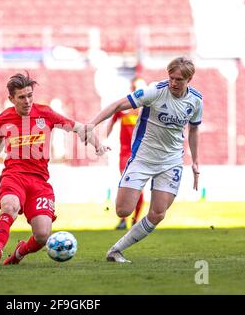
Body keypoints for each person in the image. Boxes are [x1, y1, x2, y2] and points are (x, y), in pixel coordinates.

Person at [0, 72, 109, 268]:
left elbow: (79, 128)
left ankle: (19, 253)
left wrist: (98, 146)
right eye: (22, 97)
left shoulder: (45, 113)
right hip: (14, 175)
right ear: (11, 99)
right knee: (10, 206)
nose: (27, 101)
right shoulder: (3, 118)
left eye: (30, 95)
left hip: (39, 181)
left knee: (43, 235)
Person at [85, 57, 202, 263]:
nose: (173, 83)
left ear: (189, 79)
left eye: (179, 80)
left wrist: (195, 161)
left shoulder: (195, 101)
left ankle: (116, 250)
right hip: (143, 158)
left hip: (171, 161)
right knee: (123, 210)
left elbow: (193, 129)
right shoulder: (154, 91)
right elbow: (117, 105)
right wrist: (91, 124)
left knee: (158, 213)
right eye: (171, 77)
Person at [106, 77, 146, 230]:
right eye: (137, 88)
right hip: (125, 154)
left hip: (142, 154)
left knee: (139, 188)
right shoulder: (124, 107)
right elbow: (111, 121)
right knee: (126, 184)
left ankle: (135, 220)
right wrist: (104, 140)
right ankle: (123, 220)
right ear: (132, 88)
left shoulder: (148, 108)